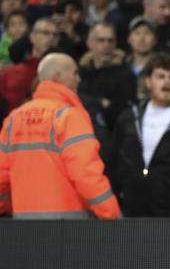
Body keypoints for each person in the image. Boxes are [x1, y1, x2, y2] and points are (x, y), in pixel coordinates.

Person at [0, 53, 121, 219]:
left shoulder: (14, 118)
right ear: (57, 77)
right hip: (68, 229)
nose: (78, 80)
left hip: (23, 225)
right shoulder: (69, 116)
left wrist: (9, 208)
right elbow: (85, 173)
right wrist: (112, 214)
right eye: (74, 74)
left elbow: (2, 177)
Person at [109, 53, 170, 216]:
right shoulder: (129, 117)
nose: (167, 82)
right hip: (132, 208)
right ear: (148, 82)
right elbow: (114, 161)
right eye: (161, 76)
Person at [78, 22, 136, 132]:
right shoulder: (80, 73)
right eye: (101, 40)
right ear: (89, 43)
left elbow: (123, 110)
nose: (106, 45)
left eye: (110, 41)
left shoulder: (126, 75)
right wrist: (100, 102)